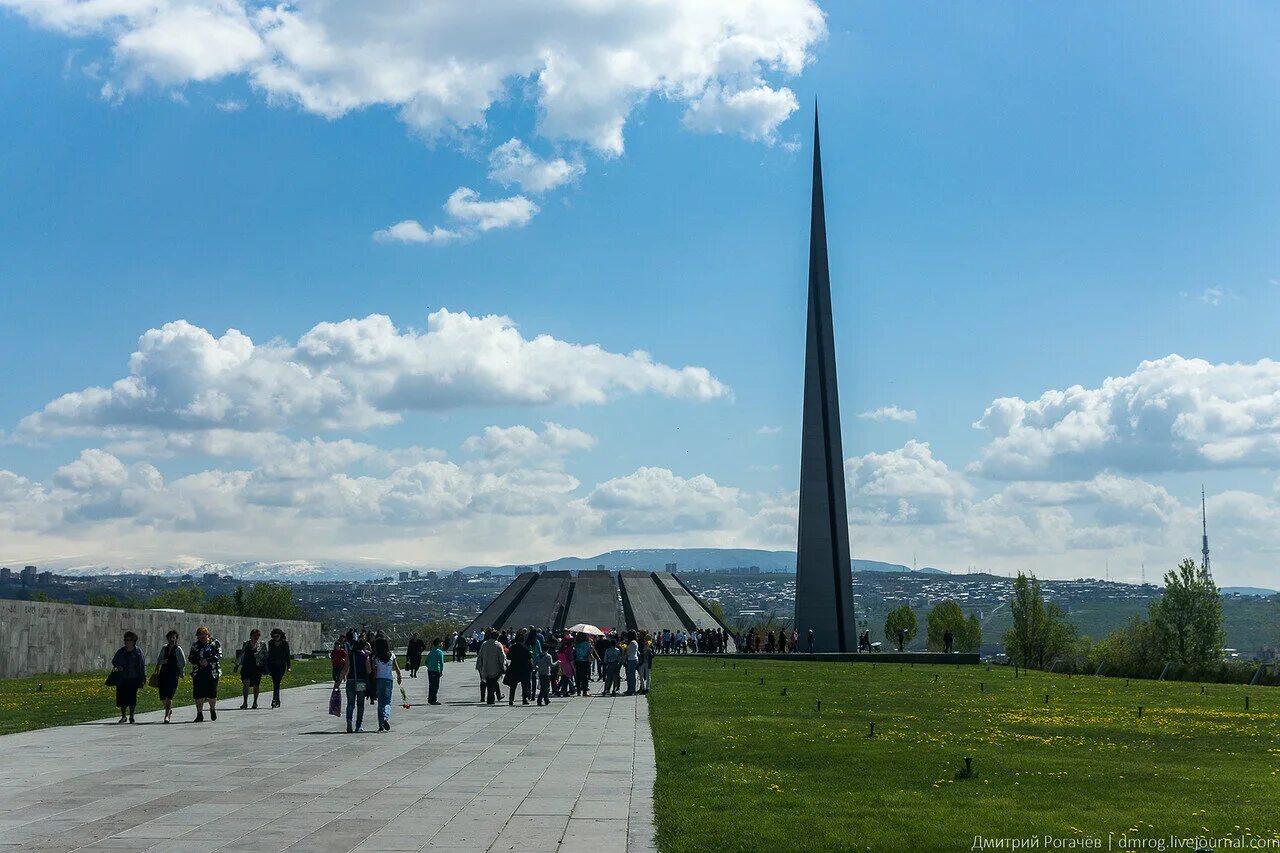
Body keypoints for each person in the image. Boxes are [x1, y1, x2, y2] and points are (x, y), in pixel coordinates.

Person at [335, 638, 371, 732]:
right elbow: (369, 670)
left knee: (350, 703)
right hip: (361, 681)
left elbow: (345, 669)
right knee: (360, 704)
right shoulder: (365, 655)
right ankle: (358, 725)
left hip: (350, 681)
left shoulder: (350, 655)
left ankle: (349, 721)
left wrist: (338, 683)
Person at [111, 631, 146, 724]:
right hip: (122, 678)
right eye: (126, 640)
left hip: (133, 677)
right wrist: (118, 666)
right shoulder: (121, 651)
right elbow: (114, 661)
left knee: (132, 697)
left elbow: (142, 666)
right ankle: (123, 716)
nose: (127, 642)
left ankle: (131, 716)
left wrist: (143, 678)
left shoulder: (138, 652)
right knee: (122, 697)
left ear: (134, 641)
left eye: (129, 640)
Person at [152, 629, 186, 724]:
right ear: (167, 638)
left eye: (174, 637)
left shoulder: (178, 649)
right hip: (163, 674)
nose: (172, 639)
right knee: (162, 696)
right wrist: (163, 662)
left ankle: (167, 716)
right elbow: (159, 660)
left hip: (173, 675)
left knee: (169, 696)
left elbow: (182, 662)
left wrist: (181, 672)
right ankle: (168, 709)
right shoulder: (164, 648)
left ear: (176, 639)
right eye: (170, 637)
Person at [189, 626, 222, 722]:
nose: (201, 639)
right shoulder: (195, 645)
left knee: (212, 693)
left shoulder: (215, 643)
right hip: (198, 672)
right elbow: (190, 657)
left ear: (208, 635)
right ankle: (199, 714)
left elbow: (219, 655)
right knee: (198, 693)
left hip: (212, 672)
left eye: (203, 636)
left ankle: (212, 709)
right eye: (199, 637)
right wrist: (198, 661)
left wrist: (208, 660)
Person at [371, 636, 402, 731]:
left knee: (380, 703)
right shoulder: (391, 655)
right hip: (389, 680)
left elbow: (373, 670)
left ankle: (381, 724)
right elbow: (397, 669)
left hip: (379, 680)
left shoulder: (375, 657)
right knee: (387, 702)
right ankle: (385, 717)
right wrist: (399, 677)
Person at [235, 629, 266, 710]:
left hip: (257, 667)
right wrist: (237, 665)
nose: (256, 637)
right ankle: (245, 702)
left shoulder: (262, 644)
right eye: (254, 635)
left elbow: (265, 656)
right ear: (251, 636)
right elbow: (242, 654)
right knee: (246, 684)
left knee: (256, 685)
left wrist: (259, 656)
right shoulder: (246, 643)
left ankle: (255, 702)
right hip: (246, 666)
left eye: (257, 635)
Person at [476, 630, 506, 705]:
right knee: (493, 683)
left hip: (485, 667)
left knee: (489, 683)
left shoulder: (484, 644)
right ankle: (491, 698)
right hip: (495, 667)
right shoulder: (498, 644)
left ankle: (489, 698)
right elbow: (502, 656)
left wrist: (479, 665)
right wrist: (503, 665)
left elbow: (480, 655)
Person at [505, 630, 532, 706]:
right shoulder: (525, 648)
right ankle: (524, 699)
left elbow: (508, 657)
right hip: (524, 668)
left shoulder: (512, 647)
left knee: (513, 685)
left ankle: (511, 699)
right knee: (524, 685)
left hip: (514, 668)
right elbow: (529, 657)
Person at [267, 628, 292, 708]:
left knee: (277, 682)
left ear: (281, 635)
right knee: (275, 683)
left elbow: (287, 656)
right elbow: (269, 655)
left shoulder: (285, 643)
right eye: (274, 636)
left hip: (281, 665)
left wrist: (289, 667)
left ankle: (274, 700)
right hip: (272, 665)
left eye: (277, 636)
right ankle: (276, 701)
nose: (276, 637)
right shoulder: (270, 643)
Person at [573, 632, 596, 697]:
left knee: (578, 676)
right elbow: (590, 652)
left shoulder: (576, 643)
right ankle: (585, 691)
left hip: (577, 660)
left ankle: (578, 691)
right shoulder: (587, 643)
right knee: (585, 676)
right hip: (585, 661)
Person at [425, 637, 445, 705]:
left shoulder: (431, 652)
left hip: (430, 671)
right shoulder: (439, 652)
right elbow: (441, 663)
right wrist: (441, 671)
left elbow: (426, 662)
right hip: (436, 671)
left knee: (431, 685)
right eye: (442, 643)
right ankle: (433, 700)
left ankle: (430, 699)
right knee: (435, 686)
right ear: (439, 644)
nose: (442, 644)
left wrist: (429, 667)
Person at [623, 631, 640, 696]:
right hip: (632, 659)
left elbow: (629, 652)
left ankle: (632, 689)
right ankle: (630, 689)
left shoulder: (633, 642)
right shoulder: (633, 642)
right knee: (629, 675)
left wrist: (625, 650)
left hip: (632, 659)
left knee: (631, 676)